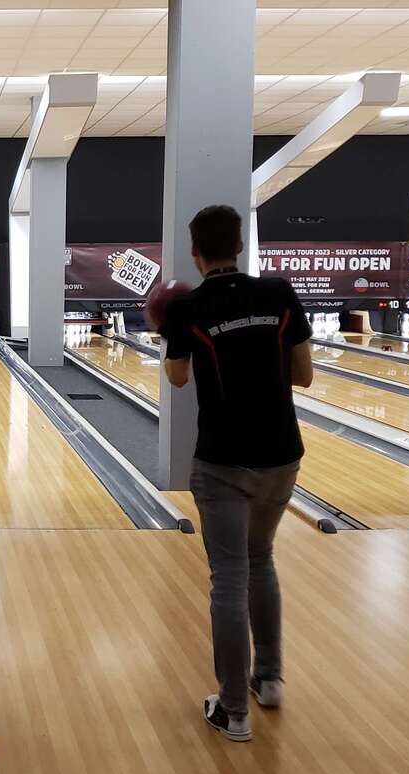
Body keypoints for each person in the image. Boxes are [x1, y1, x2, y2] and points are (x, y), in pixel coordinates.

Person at [157, 204, 313, 743]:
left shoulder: (189, 308)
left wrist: (166, 332)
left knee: (228, 575)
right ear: (240, 245)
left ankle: (233, 711)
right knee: (261, 559)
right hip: (281, 455)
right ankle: (268, 682)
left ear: (195, 252)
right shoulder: (280, 294)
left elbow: (177, 379)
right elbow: (305, 376)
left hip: (223, 458)